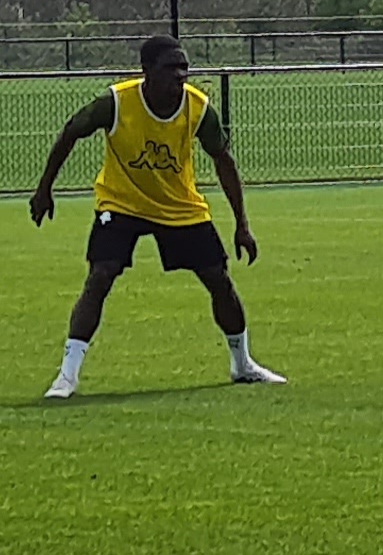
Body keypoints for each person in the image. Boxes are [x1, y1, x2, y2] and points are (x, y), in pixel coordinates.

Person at [26, 36, 281, 399]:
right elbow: (72, 131)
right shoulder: (116, 102)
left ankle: (243, 364)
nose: (180, 75)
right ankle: (67, 377)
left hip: (178, 205)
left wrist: (242, 225)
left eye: (184, 68)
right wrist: (44, 189)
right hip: (122, 202)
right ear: (147, 71)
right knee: (100, 275)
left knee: (218, 278)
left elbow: (223, 161)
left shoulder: (198, 107)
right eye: (171, 68)